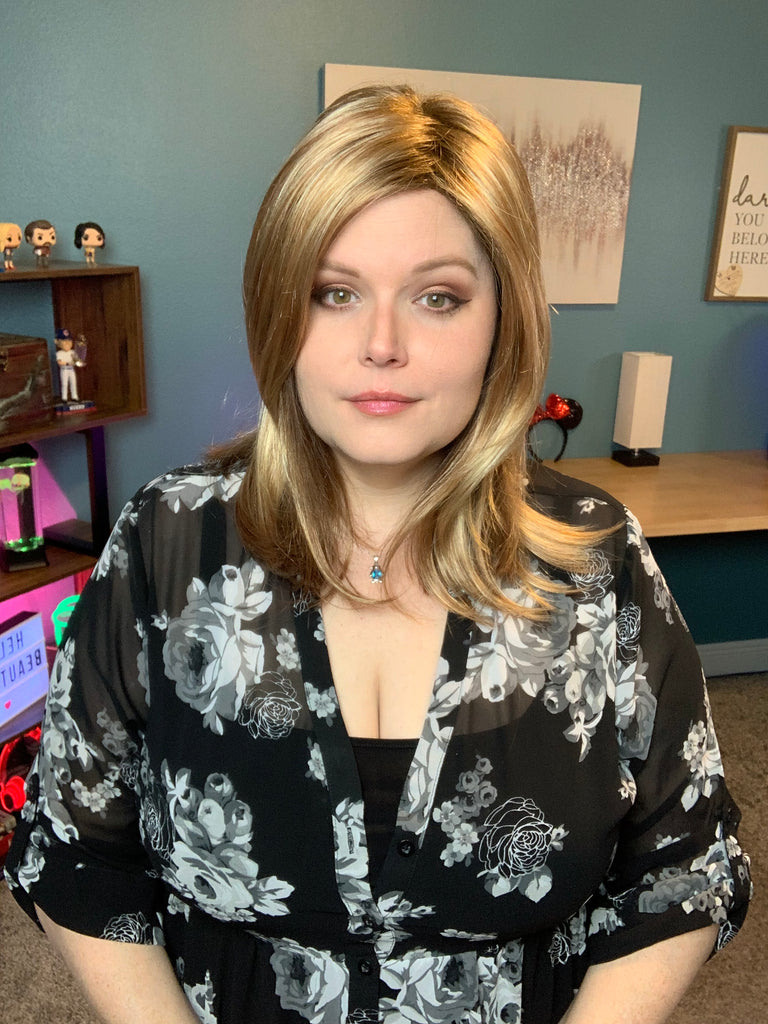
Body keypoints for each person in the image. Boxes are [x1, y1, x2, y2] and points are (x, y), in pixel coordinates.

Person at [4, 85, 751, 1024]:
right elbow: (73, 845)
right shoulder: (168, 541)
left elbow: (686, 862)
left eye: (438, 297)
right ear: (278, 308)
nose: (381, 345)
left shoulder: (596, 559)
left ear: (503, 318)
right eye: (335, 292)